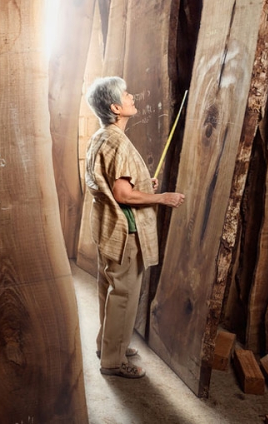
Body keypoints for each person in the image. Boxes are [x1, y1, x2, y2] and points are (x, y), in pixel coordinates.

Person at [84, 76, 185, 379]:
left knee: (110, 291)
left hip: (106, 229)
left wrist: (143, 184)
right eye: (126, 95)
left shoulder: (102, 136)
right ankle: (113, 362)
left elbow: (117, 181)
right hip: (124, 232)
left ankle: (108, 345)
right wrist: (161, 197)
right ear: (116, 107)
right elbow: (123, 194)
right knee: (124, 295)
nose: (131, 96)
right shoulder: (118, 142)